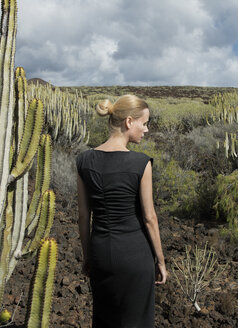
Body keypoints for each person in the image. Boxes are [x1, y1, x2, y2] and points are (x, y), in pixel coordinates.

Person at [76, 94, 167, 327]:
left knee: (105, 320)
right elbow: (149, 218)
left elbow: (84, 216)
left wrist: (88, 256)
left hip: (100, 253)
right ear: (129, 122)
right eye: (144, 123)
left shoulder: (84, 161)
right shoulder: (141, 163)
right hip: (134, 255)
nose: (146, 130)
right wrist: (160, 260)